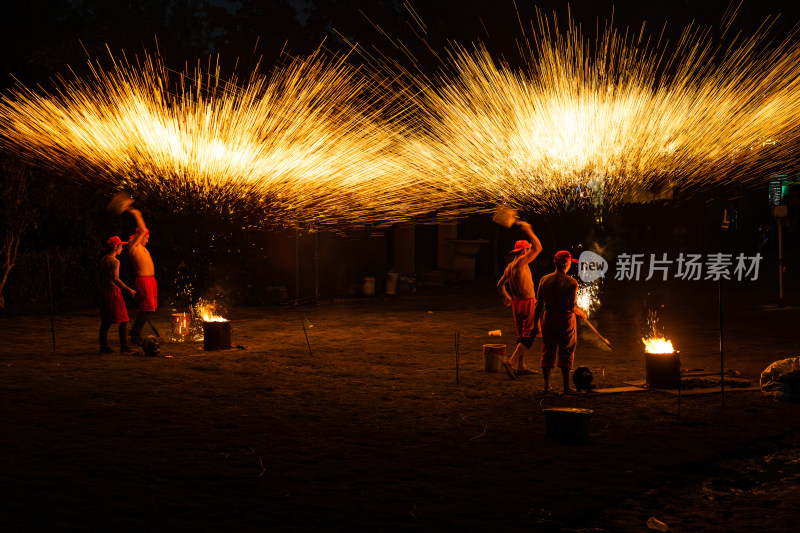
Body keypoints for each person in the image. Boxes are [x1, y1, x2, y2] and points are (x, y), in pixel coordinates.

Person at [532, 251, 588, 393]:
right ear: (567, 263)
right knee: (567, 350)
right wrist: (582, 313)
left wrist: (534, 326)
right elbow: (571, 306)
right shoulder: (572, 282)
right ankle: (566, 387)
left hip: (549, 318)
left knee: (548, 349)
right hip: (565, 320)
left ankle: (547, 386)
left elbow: (539, 305)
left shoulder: (545, 280)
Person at [497, 218, 543, 378]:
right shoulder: (521, 263)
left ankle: (521, 366)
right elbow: (539, 247)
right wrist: (529, 229)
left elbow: (499, 285)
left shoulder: (509, 267)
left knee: (523, 334)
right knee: (530, 335)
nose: (530, 252)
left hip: (517, 304)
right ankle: (510, 363)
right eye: (528, 250)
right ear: (523, 251)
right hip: (527, 302)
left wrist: (506, 296)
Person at [99, 236, 136, 353]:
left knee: (106, 321)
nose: (122, 249)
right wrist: (128, 289)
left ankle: (104, 346)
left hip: (104, 291)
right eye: (120, 246)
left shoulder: (103, 260)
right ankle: (124, 347)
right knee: (124, 319)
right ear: (115, 247)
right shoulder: (115, 261)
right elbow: (116, 279)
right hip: (112, 291)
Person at [126, 206, 157, 345]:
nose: (147, 240)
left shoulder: (143, 249)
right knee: (146, 307)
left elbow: (144, 233)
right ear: (141, 236)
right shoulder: (133, 246)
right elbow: (143, 230)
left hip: (150, 280)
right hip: (143, 280)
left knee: (150, 308)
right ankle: (135, 333)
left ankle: (135, 331)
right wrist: (137, 214)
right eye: (146, 238)